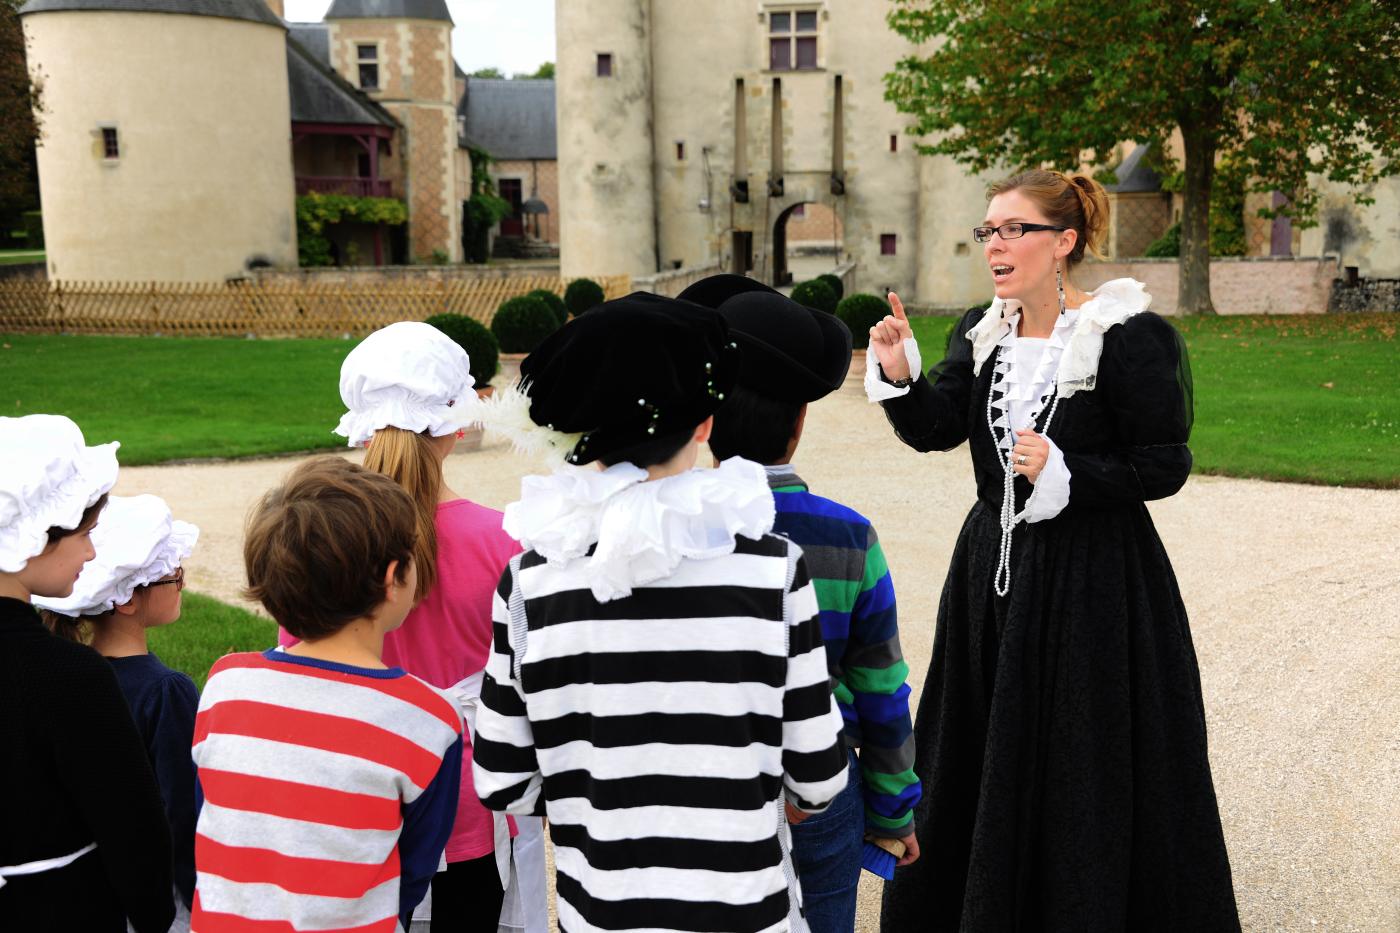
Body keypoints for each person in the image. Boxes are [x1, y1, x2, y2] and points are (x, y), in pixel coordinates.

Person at [866, 170, 1239, 931]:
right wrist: (901, 374)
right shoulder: (985, 328)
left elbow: (1164, 463)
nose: (994, 244)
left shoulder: (1126, 335)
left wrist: (1069, 474)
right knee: (980, 742)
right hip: (991, 572)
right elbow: (940, 426)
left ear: (1063, 242)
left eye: (1013, 229)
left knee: (1083, 750)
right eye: (988, 231)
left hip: (1094, 576)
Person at [472, 293, 850, 933]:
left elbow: (502, 781)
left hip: (601, 910)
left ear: (578, 436)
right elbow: (818, 775)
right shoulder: (772, 569)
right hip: (747, 910)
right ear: (707, 423)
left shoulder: (530, 583)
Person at [681, 275, 921, 933]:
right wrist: (895, 810)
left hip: (698, 777)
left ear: (706, 419)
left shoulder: (666, 526)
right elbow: (881, 686)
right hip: (819, 784)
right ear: (801, 419)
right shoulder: (846, 536)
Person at [324, 319, 544, 933]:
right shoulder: (503, 537)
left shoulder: (329, 537)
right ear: (453, 424)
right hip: (475, 786)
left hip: (361, 779)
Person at [192, 456, 463, 932]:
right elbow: (415, 871)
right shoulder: (428, 719)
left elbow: (214, 819)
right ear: (392, 578)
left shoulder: (225, 686)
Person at [0, 414, 176, 932]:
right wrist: (153, 915)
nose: (93, 552)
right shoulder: (66, 675)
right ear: (33, 534)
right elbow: (132, 829)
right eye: (85, 533)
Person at [36, 493, 200, 931]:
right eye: (173, 575)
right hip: (161, 895)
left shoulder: (66, 676)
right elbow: (182, 810)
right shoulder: (166, 692)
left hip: (91, 883)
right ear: (127, 599)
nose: (181, 582)